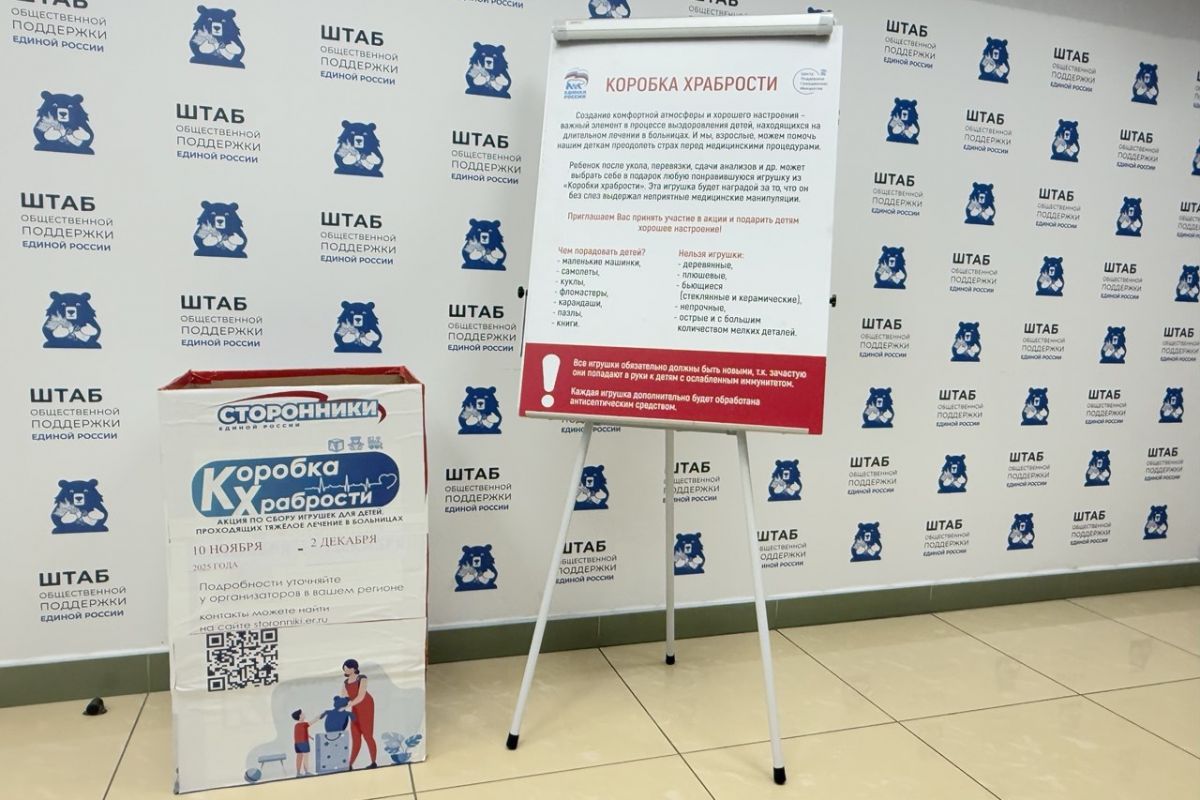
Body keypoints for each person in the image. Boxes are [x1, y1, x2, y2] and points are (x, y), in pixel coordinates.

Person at [341, 658, 377, 769]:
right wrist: (341, 706)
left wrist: (347, 705)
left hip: (366, 706)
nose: (345, 670)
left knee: (367, 735)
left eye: (346, 668)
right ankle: (350, 764)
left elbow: (361, 696)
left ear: (353, 668)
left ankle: (373, 762)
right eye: (344, 668)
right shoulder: (345, 683)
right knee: (356, 736)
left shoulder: (362, 678)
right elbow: (344, 697)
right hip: (355, 708)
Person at [291, 709, 313, 776]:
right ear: (300, 716)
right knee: (306, 757)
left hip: (297, 744)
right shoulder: (305, 724)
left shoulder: (296, 725)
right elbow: (314, 721)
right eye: (302, 713)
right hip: (304, 743)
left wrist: (310, 737)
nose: (304, 714)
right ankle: (306, 772)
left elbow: (301, 733)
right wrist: (319, 716)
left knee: (299, 757)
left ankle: (298, 773)